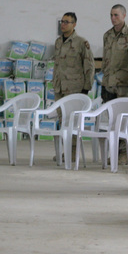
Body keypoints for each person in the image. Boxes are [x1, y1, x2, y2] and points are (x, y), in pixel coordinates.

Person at [52, 12, 95, 161]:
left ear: (74, 24)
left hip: (75, 88)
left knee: (73, 121)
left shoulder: (81, 43)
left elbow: (89, 66)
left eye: (67, 22)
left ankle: (73, 152)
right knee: (62, 119)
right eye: (62, 22)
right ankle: (67, 150)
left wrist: (86, 89)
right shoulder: (58, 42)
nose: (63, 24)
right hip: (59, 87)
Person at [102, 4, 128, 163]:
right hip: (110, 83)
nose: (113, 18)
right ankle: (115, 151)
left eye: (116, 15)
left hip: (125, 84)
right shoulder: (107, 35)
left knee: (125, 120)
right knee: (112, 119)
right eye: (111, 15)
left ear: (124, 15)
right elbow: (106, 60)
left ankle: (125, 152)